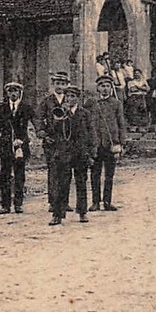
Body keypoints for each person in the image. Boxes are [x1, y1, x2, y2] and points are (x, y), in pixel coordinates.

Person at [0, 80, 37, 214]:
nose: (13, 94)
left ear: (20, 93)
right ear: (7, 93)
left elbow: (35, 123)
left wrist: (25, 140)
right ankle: (5, 205)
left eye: (15, 91)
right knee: (4, 176)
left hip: (21, 148)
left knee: (19, 175)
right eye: (10, 91)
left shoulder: (26, 108)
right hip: (6, 147)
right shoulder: (2, 109)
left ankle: (18, 204)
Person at [90, 74, 127, 212]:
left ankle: (107, 202)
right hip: (95, 144)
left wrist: (121, 142)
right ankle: (95, 202)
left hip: (111, 144)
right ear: (97, 88)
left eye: (108, 86)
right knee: (95, 174)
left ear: (111, 88)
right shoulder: (91, 103)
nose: (105, 89)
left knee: (109, 175)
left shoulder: (116, 104)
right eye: (102, 86)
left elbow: (121, 124)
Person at [36, 70, 70, 210]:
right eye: (57, 83)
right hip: (51, 140)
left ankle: (64, 202)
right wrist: (42, 131)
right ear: (53, 84)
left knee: (67, 171)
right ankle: (53, 202)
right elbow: (37, 117)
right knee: (53, 171)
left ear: (66, 85)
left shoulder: (70, 99)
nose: (60, 86)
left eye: (62, 84)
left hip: (67, 140)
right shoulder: (47, 101)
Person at [63, 83, 98, 222]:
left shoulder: (85, 114)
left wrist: (92, 152)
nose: (69, 99)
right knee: (62, 183)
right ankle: (58, 214)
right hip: (64, 153)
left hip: (81, 153)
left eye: (72, 96)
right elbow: (54, 131)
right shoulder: (59, 112)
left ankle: (82, 212)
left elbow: (92, 133)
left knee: (81, 183)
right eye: (67, 96)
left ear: (78, 98)